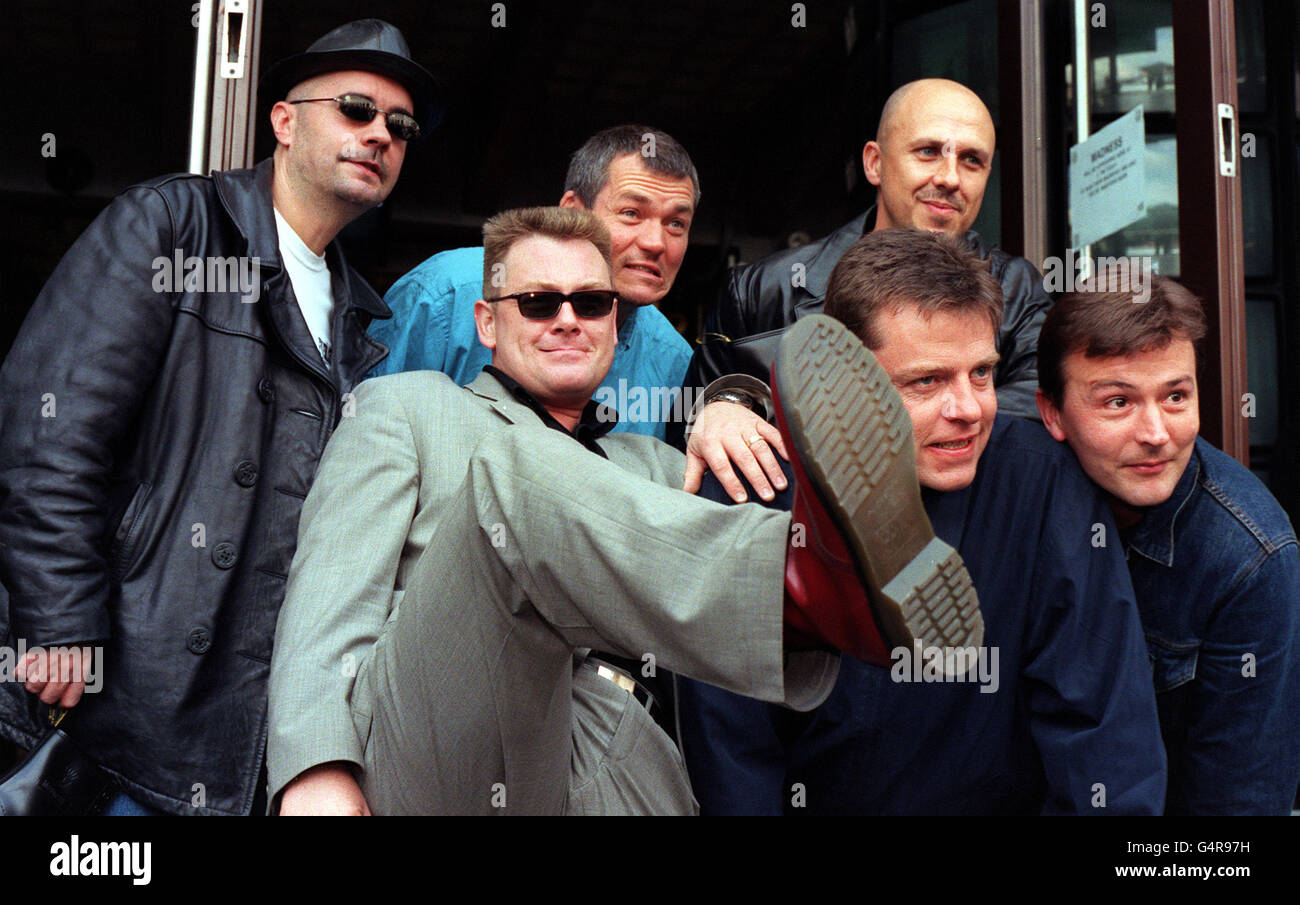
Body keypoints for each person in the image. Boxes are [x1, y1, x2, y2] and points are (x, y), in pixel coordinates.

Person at [267, 206, 982, 815]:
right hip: (437, 746)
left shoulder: (658, 465)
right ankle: (798, 595)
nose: (568, 319)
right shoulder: (410, 408)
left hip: (625, 757)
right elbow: (329, 592)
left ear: (618, 324)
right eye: (539, 302)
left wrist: (734, 399)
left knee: (745, 505)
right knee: (517, 473)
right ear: (487, 322)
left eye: (593, 302)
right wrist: (312, 766)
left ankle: (817, 600)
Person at [0, 19, 439, 815]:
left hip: (243, 736)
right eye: (355, 108)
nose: (379, 134)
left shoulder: (359, 321)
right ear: (283, 119)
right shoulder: (171, 225)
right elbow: (48, 427)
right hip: (114, 707)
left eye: (398, 127)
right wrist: (58, 617)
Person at [676, 228, 1166, 815]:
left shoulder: (1043, 481)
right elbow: (732, 758)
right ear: (842, 385)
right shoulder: (753, 489)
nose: (967, 410)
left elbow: (1104, 734)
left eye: (981, 374)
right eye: (926, 382)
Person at [677, 78, 1052, 495]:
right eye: (927, 152)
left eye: (971, 160)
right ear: (874, 163)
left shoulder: (1015, 288)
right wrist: (721, 408)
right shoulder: (762, 289)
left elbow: (1047, 411)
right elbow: (688, 425)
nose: (949, 177)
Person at [1036, 272, 1300, 815]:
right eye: (1118, 403)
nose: (1157, 432)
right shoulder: (1018, 495)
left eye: (1176, 396)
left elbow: (1236, 815)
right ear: (1053, 413)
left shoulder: (1251, 558)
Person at [369, 124, 697, 440]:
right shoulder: (447, 292)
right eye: (631, 213)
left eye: (676, 223)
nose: (656, 242)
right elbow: (369, 436)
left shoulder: (676, 360)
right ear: (573, 212)